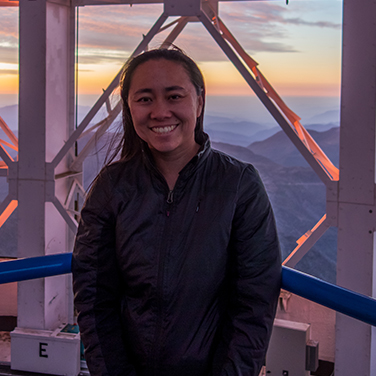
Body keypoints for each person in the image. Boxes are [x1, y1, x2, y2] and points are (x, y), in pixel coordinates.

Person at [72, 47, 281, 376]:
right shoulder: (112, 188)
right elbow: (95, 299)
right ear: (129, 107)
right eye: (144, 99)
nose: (159, 112)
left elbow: (253, 305)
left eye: (174, 96)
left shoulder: (238, 185)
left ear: (199, 101)